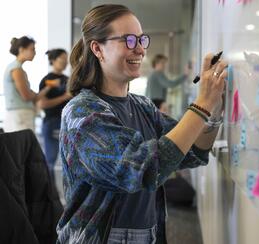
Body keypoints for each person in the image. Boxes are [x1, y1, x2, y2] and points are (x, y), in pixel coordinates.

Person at [56, 4, 227, 244]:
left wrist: (215, 107)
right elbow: (142, 170)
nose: (139, 49)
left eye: (140, 39)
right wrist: (202, 103)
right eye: (128, 40)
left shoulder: (143, 106)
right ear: (97, 48)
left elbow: (192, 151)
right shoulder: (82, 113)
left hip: (149, 234)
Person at [3, 36, 53, 132]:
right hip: (20, 117)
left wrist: (46, 88)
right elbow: (26, 96)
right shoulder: (16, 69)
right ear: (21, 49)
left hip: (20, 116)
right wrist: (33, 93)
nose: (34, 52)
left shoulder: (16, 68)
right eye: (32, 49)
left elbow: (30, 95)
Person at [37, 48, 72, 181]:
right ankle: (50, 196)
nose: (65, 62)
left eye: (66, 59)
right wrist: (64, 97)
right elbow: (42, 104)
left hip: (68, 123)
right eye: (62, 59)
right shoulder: (47, 81)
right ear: (53, 60)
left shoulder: (69, 79)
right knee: (50, 161)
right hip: (52, 122)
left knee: (70, 162)